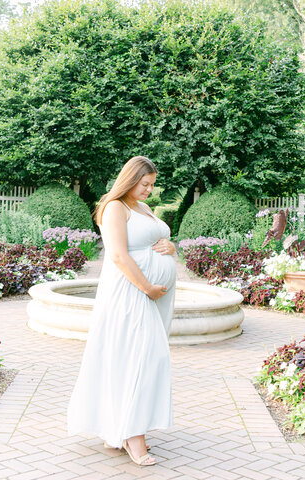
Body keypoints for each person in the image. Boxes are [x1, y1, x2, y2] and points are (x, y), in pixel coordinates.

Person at [67, 156, 177, 466]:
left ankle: (118, 429)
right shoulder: (114, 207)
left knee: (135, 358)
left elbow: (158, 239)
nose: (149, 190)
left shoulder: (142, 208)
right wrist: (148, 288)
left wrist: (171, 248)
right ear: (130, 180)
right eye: (145, 184)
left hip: (147, 295)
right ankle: (132, 437)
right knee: (144, 357)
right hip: (129, 293)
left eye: (152, 185)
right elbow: (117, 255)